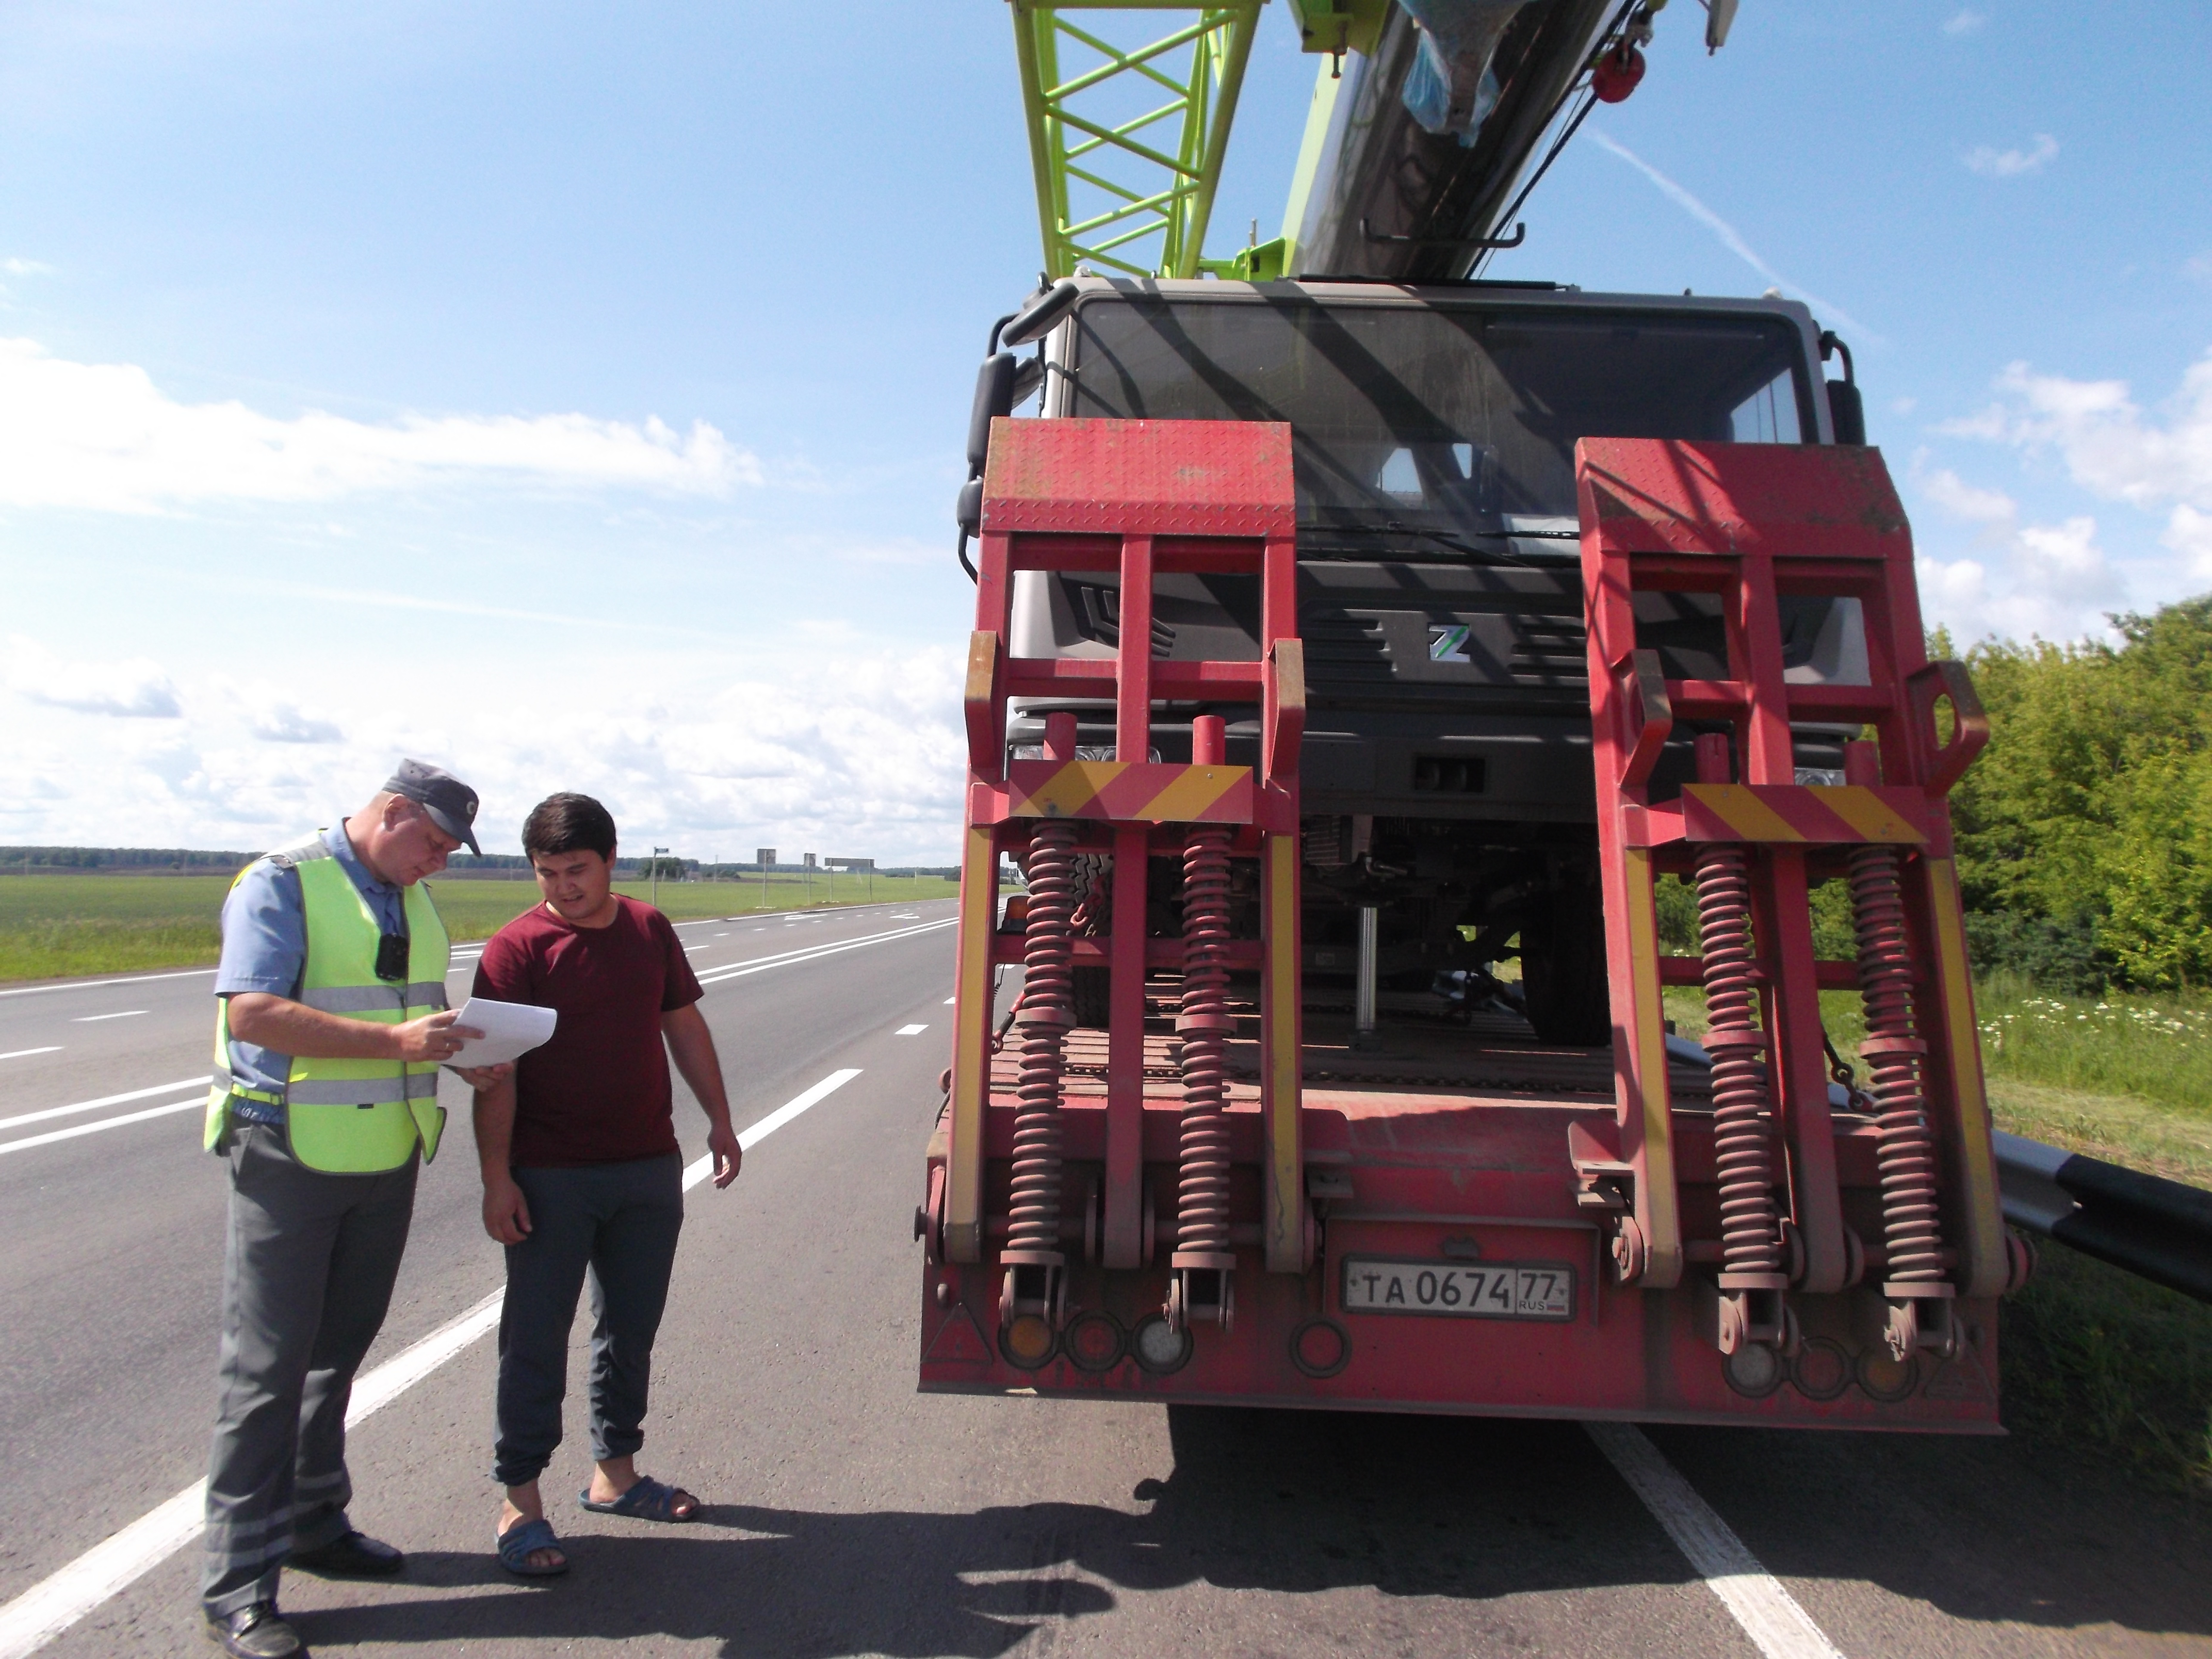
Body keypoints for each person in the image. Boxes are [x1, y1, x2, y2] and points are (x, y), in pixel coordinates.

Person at [201, 761, 503, 1659]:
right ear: (394, 812)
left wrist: (457, 1054)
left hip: (384, 1153)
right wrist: (394, 1043)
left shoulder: (410, 899)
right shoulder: (282, 882)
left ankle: (314, 1524)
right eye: (436, 844)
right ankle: (238, 1591)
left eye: (451, 853)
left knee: (338, 1356)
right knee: (266, 1373)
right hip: (291, 1151)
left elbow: (415, 1011)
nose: (440, 863)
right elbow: (252, 1013)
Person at [468, 792, 741, 1577]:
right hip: (551, 1176)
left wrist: (719, 1120)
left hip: (646, 1166)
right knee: (535, 1339)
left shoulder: (648, 929)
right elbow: (495, 1077)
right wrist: (498, 1180)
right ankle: (520, 1503)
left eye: (577, 870)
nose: (563, 886)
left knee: (630, 1329)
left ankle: (615, 1475)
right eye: (548, 872)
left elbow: (683, 1024)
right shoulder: (517, 949)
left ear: (611, 860)